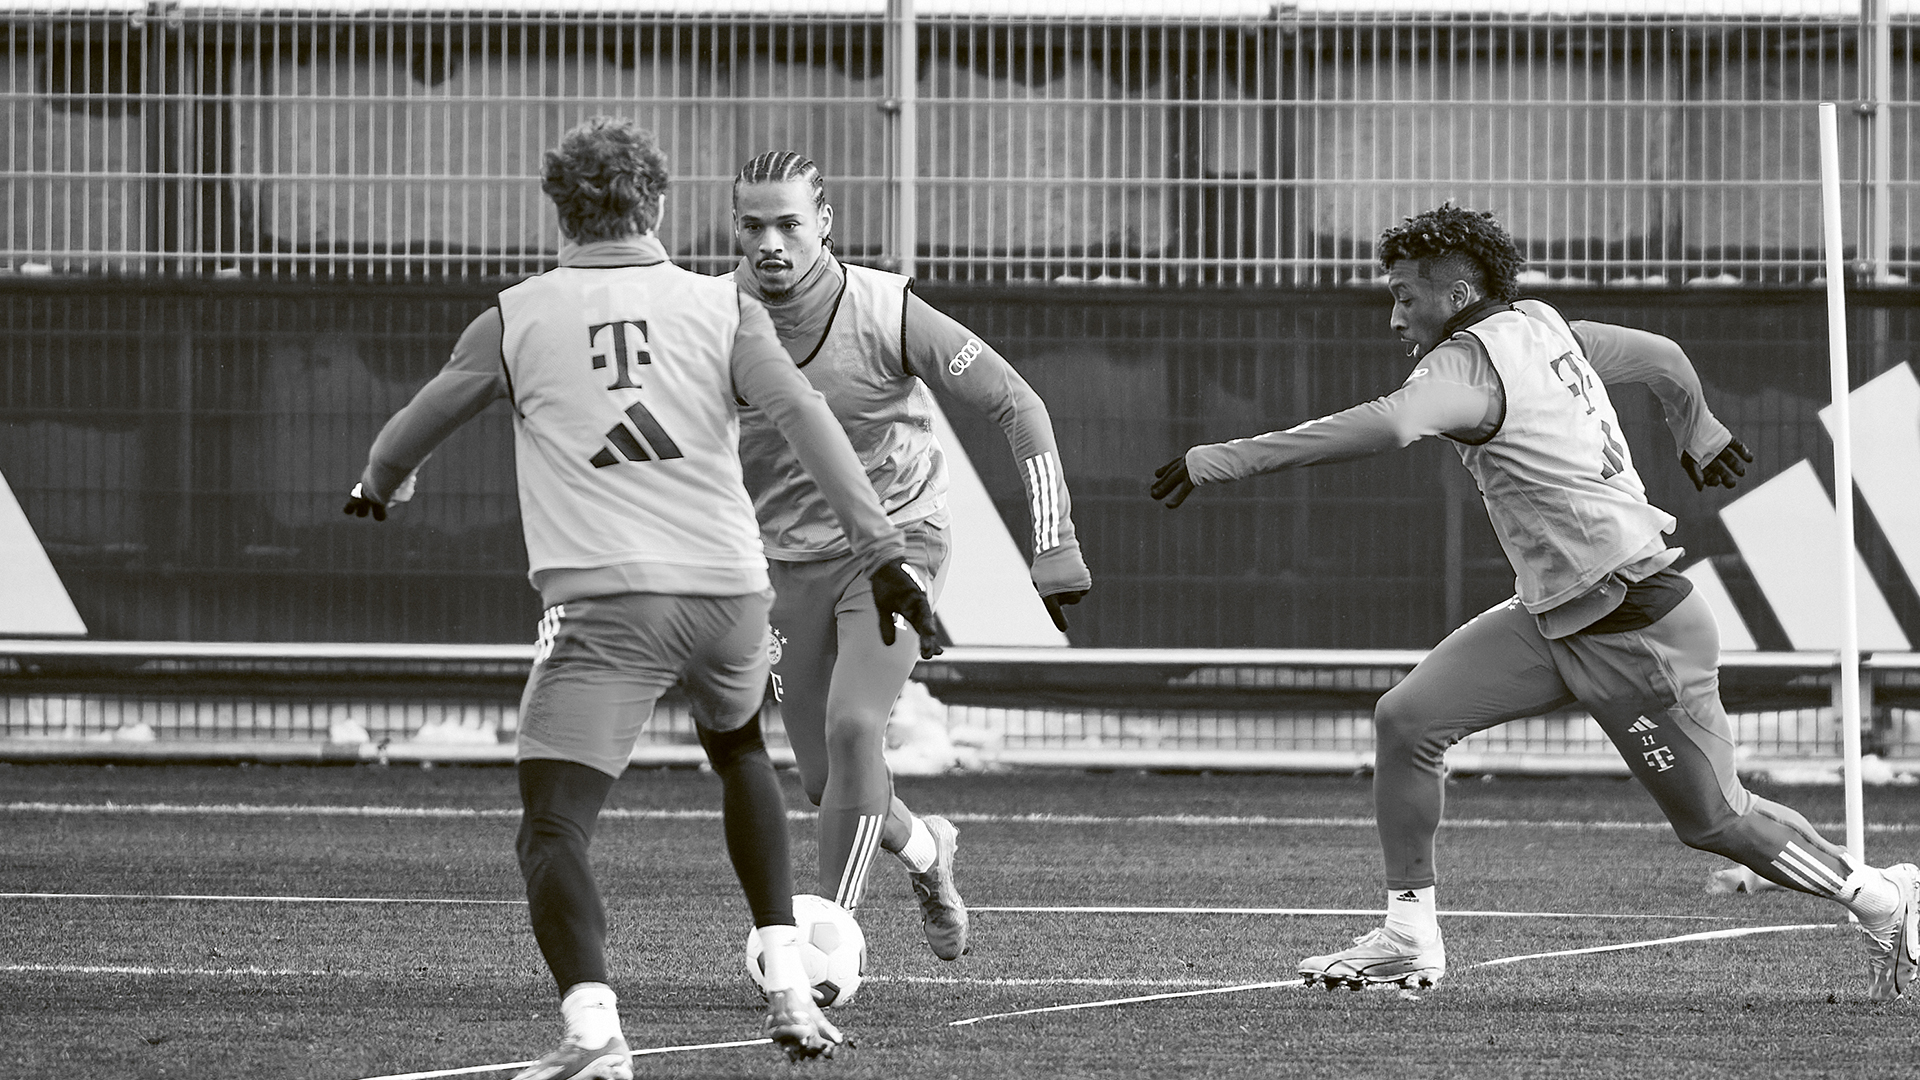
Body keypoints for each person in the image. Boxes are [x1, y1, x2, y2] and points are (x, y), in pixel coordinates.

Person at [1149, 203, 1920, 1002]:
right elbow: (1662, 356)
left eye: (1406, 295)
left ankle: (1885, 896)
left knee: (1714, 823)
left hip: (1634, 625)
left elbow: (1388, 424)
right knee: (1407, 719)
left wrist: (1224, 460)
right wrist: (1701, 428)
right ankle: (1409, 935)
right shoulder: (1548, 328)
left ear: (1456, 292)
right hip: (1555, 615)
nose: (1393, 314)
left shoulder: (1468, 367)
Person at [344, 116, 942, 1078]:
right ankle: (789, 983)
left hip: (607, 608)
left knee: (552, 827)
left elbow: (416, 424)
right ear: (658, 205)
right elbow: (802, 413)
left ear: (558, 210)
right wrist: (883, 547)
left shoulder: (515, 317)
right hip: (729, 597)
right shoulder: (721, 305)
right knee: (741, 751)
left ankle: (595, 1040)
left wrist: (379, 481)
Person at [725, 151, 1092, 960]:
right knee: (827, 787)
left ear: (824, 223)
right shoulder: (711, 315)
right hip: (787, 564)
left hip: (899, 548)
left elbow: (1016, 403)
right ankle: (930, 854)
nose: (771, 242)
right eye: (753, 225)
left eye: (790, 222)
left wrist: (1052, 540)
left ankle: (831, 936)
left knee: (858, 727)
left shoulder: (885, 309)